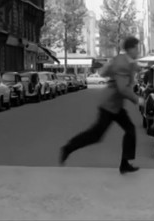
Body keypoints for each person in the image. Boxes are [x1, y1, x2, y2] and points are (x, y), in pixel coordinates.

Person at [59, 36, 144, 174]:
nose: (138, 51)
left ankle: (125, 164)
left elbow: (104, 71)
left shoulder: (122, 59)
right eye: (137, 48)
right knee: (96, 135)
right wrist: (137, 99)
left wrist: (135, 69)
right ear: (130, 49)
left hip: (114, 104)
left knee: (130, 130)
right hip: (109, 105)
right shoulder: (122, 64)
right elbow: (123, 88)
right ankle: (68, 148)